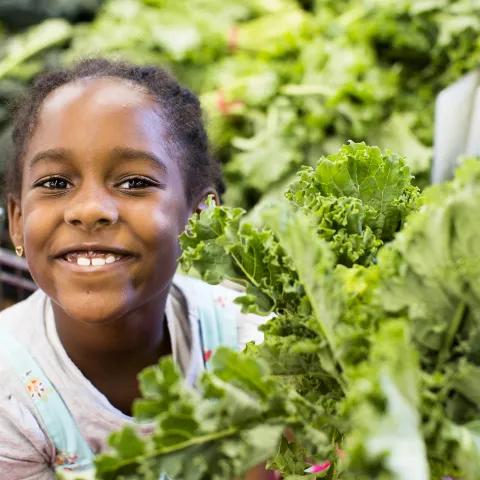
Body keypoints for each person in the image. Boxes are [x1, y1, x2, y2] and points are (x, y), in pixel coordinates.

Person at [0, 58, 273, 479]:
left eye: (134, 183)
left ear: (200, 217)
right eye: (55, 183)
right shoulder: (9, 393)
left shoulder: (252, 338)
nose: (89, 210)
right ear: (17, 221)